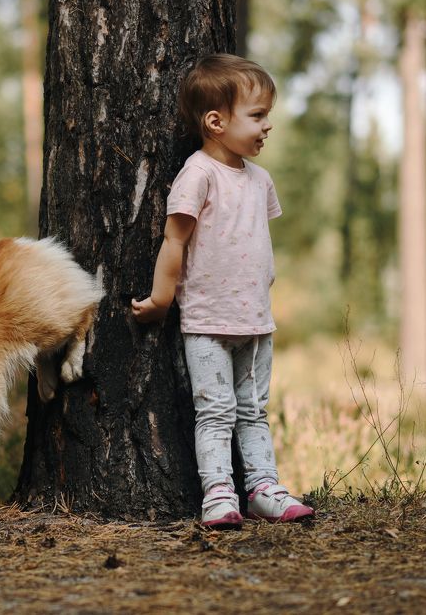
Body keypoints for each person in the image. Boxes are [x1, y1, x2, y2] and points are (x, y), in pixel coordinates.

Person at [131, 53, 313, 529]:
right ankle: (217, 492)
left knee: (254, 411)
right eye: (257, 116)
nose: (267, 125)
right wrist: (160, 300)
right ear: (215, 122)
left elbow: (254, 240)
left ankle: (263, 488)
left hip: (255, 321)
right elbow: (175, 240)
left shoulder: (260, 180)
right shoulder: (198, 174)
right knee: (215, 412)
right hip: (208, 323)